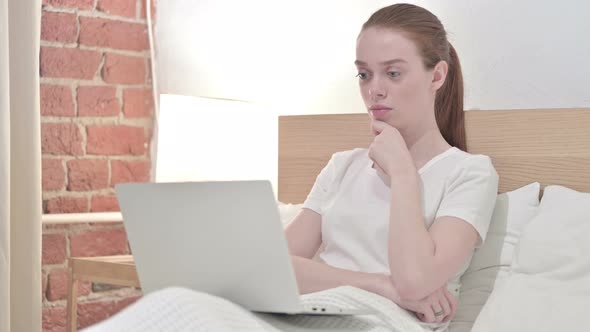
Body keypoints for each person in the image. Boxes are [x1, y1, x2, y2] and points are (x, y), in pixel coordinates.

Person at [285, 3, 499, 329]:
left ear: (437, 75)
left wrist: (403, 173)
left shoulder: (470, 173)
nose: (374, 90)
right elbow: (271, 267)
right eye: (364, 74)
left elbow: (415, 282)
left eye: (393, 73)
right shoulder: (342, 166)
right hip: (313, 311)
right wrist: (383, 286)